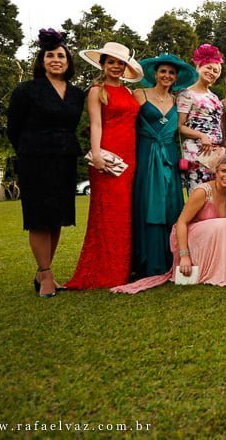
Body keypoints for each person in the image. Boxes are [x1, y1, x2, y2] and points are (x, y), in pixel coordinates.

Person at [7, 28, 86, 298]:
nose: (56, 59)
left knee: (57, 218)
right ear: (41, 61)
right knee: (39, 218)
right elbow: (13, 129)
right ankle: (47, 273)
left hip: (64, 159)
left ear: (68, 61)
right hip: (35, 159)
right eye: (50, 55)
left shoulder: (76, 94)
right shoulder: (27, 90)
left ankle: (44, 272)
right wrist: (29, 151)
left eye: (61, 55)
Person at [66, 41, 143, 290]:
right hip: (108, 155)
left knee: (125, 212)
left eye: (120, 63)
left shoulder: (130, 93)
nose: (116, 67)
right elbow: (96, 124)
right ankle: (105, 271)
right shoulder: (97, 90)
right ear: (102, 64)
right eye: (111, 62)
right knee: (108, 212)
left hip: (130, 156)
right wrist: (97, 154)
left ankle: (123, 267)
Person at [111, 155, 226, 293]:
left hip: (206, 237)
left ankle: (223, 269)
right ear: (216, 172)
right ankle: (209, 270)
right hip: (188, 237)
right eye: (223, 171)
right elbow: (181, 222)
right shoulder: (203, 191)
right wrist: (184, 256)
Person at [131, 53, 197, 278]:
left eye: (171, 72)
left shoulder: (178, 100)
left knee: (171, 204)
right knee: (146, 202)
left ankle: (172, 259)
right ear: (155, 74)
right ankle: (148, 261)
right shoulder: (139, 95)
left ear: (176, 77)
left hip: (169, 154)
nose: (167, 75)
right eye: (163, 71)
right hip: (146, 154)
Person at [178, 44, 225, 192]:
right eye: (209, 68)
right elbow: (180, 126)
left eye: (216, 71)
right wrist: (201, 136)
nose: (212, 72)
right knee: (198, 193)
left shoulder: (214, 97)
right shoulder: (186, 94)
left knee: (213, 193)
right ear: (199, 67)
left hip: (214, 153)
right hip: (196, 151)